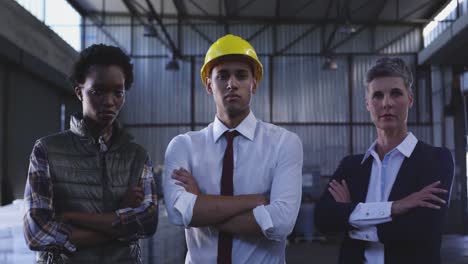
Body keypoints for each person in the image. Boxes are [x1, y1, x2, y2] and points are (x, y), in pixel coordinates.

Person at [163, 34, 303, 264]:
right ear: (209, 85)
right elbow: (179, 213)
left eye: (241, 75)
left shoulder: (284, 143)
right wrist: (253, 201)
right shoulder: (183, 146)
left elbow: (281, 223)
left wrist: (201, 203)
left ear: (253, 83)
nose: (232, 84)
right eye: (222, 76)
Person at [23, 44, 158, 264]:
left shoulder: (137, 156)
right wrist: (118, 223)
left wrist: (71, 217)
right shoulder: (47, 151)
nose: (109, 101)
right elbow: (36, 232)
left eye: (118, 92)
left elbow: (148, 221)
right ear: (79, 91)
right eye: (98, 91)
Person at [314, 57, 454, 264]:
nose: (386, 103)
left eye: (396, 93)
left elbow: (424, 230)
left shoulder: (436, 159)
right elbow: (323, 219)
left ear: (410, 100)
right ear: (368, 104)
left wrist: (351, 216)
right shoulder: (351, 166)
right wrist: (394, 208)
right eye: (377, 95)